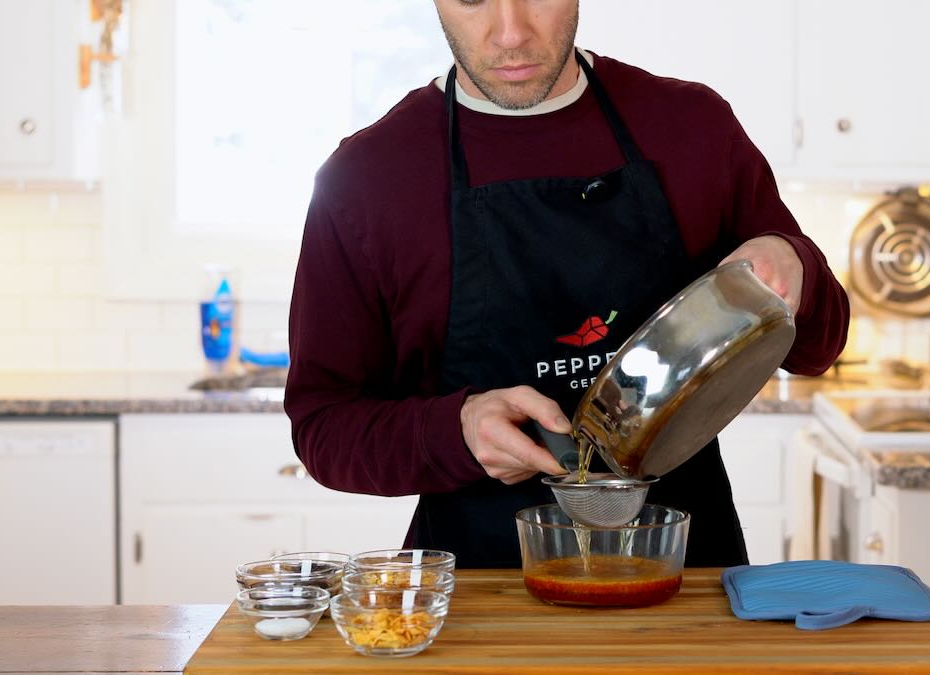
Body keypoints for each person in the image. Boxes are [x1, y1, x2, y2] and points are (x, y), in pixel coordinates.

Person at [285, 0, 849, 568]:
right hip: (483, 597)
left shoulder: (691, 127)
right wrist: (454, 432)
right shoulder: (367, 178)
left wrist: (793, 262)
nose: (511, 34)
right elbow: (322, 428)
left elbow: (817, 348)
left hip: (689, 588)